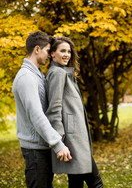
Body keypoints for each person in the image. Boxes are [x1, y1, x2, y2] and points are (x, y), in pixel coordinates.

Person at [12, 32, 72, 188]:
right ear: (37, 49)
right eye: (47, 50)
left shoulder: (37, 74)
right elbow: (36, 115)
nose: (49, 55)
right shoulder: (26, 77)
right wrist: (58, 144)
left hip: (42, 148)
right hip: (34, 151)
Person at [46, 36, 103, 188]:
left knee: (76, 183)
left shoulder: (64, 72)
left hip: (75, 138)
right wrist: (59, 141)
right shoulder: (57, 73)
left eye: (69, 51)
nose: (66, 54)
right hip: (72, 141)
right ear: (52, 53)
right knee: (96, 183)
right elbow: (54, 109)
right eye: (62, 51)